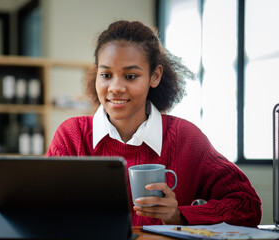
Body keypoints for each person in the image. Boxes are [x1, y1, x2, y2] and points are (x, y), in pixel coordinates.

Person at [46, 20, 262, 226]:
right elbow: (38, 207)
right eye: (106, 74)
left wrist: (179, 216)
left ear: (155, 76)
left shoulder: (186, 138)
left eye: (130, 76)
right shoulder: (71, 135)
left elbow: (247, 204)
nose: (115, 87)